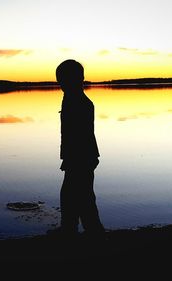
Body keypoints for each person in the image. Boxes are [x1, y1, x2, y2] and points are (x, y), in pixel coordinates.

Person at [47, 59, 105, 237]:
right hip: (77, 156)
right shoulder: (70, 99)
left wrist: (71, 158)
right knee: (72, 194)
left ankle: (91, 230)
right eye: (59, 81)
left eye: (63, 80)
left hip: (82, 157)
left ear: (77, 79)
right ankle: (72, 227)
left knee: (82, 195)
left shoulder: (80, 103)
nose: (60, 85)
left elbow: (79, 136)